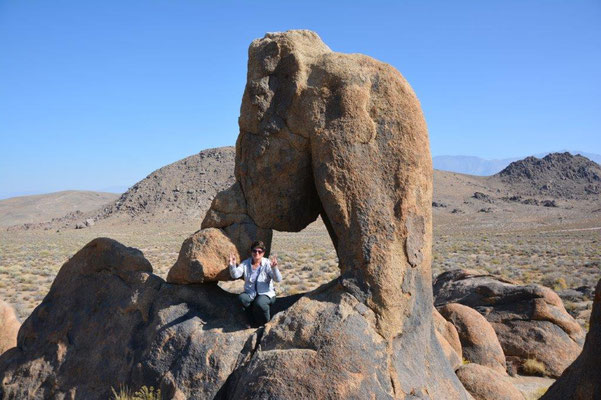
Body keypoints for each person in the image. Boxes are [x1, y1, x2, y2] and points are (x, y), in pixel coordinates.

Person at [228, 241, 282, 326]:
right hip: (251, 294)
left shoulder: (267, 264)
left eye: (259, 251)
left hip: (266, 294)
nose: (257, 253)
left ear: (263, 253)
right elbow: (235, 275)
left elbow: (278, 279)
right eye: (254, 251)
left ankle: (266, 324)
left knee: (260, 303)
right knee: (241, 298)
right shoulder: (245, 263)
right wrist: (233, 265)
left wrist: (274, 268)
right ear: (251, 252)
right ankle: (251, 322)